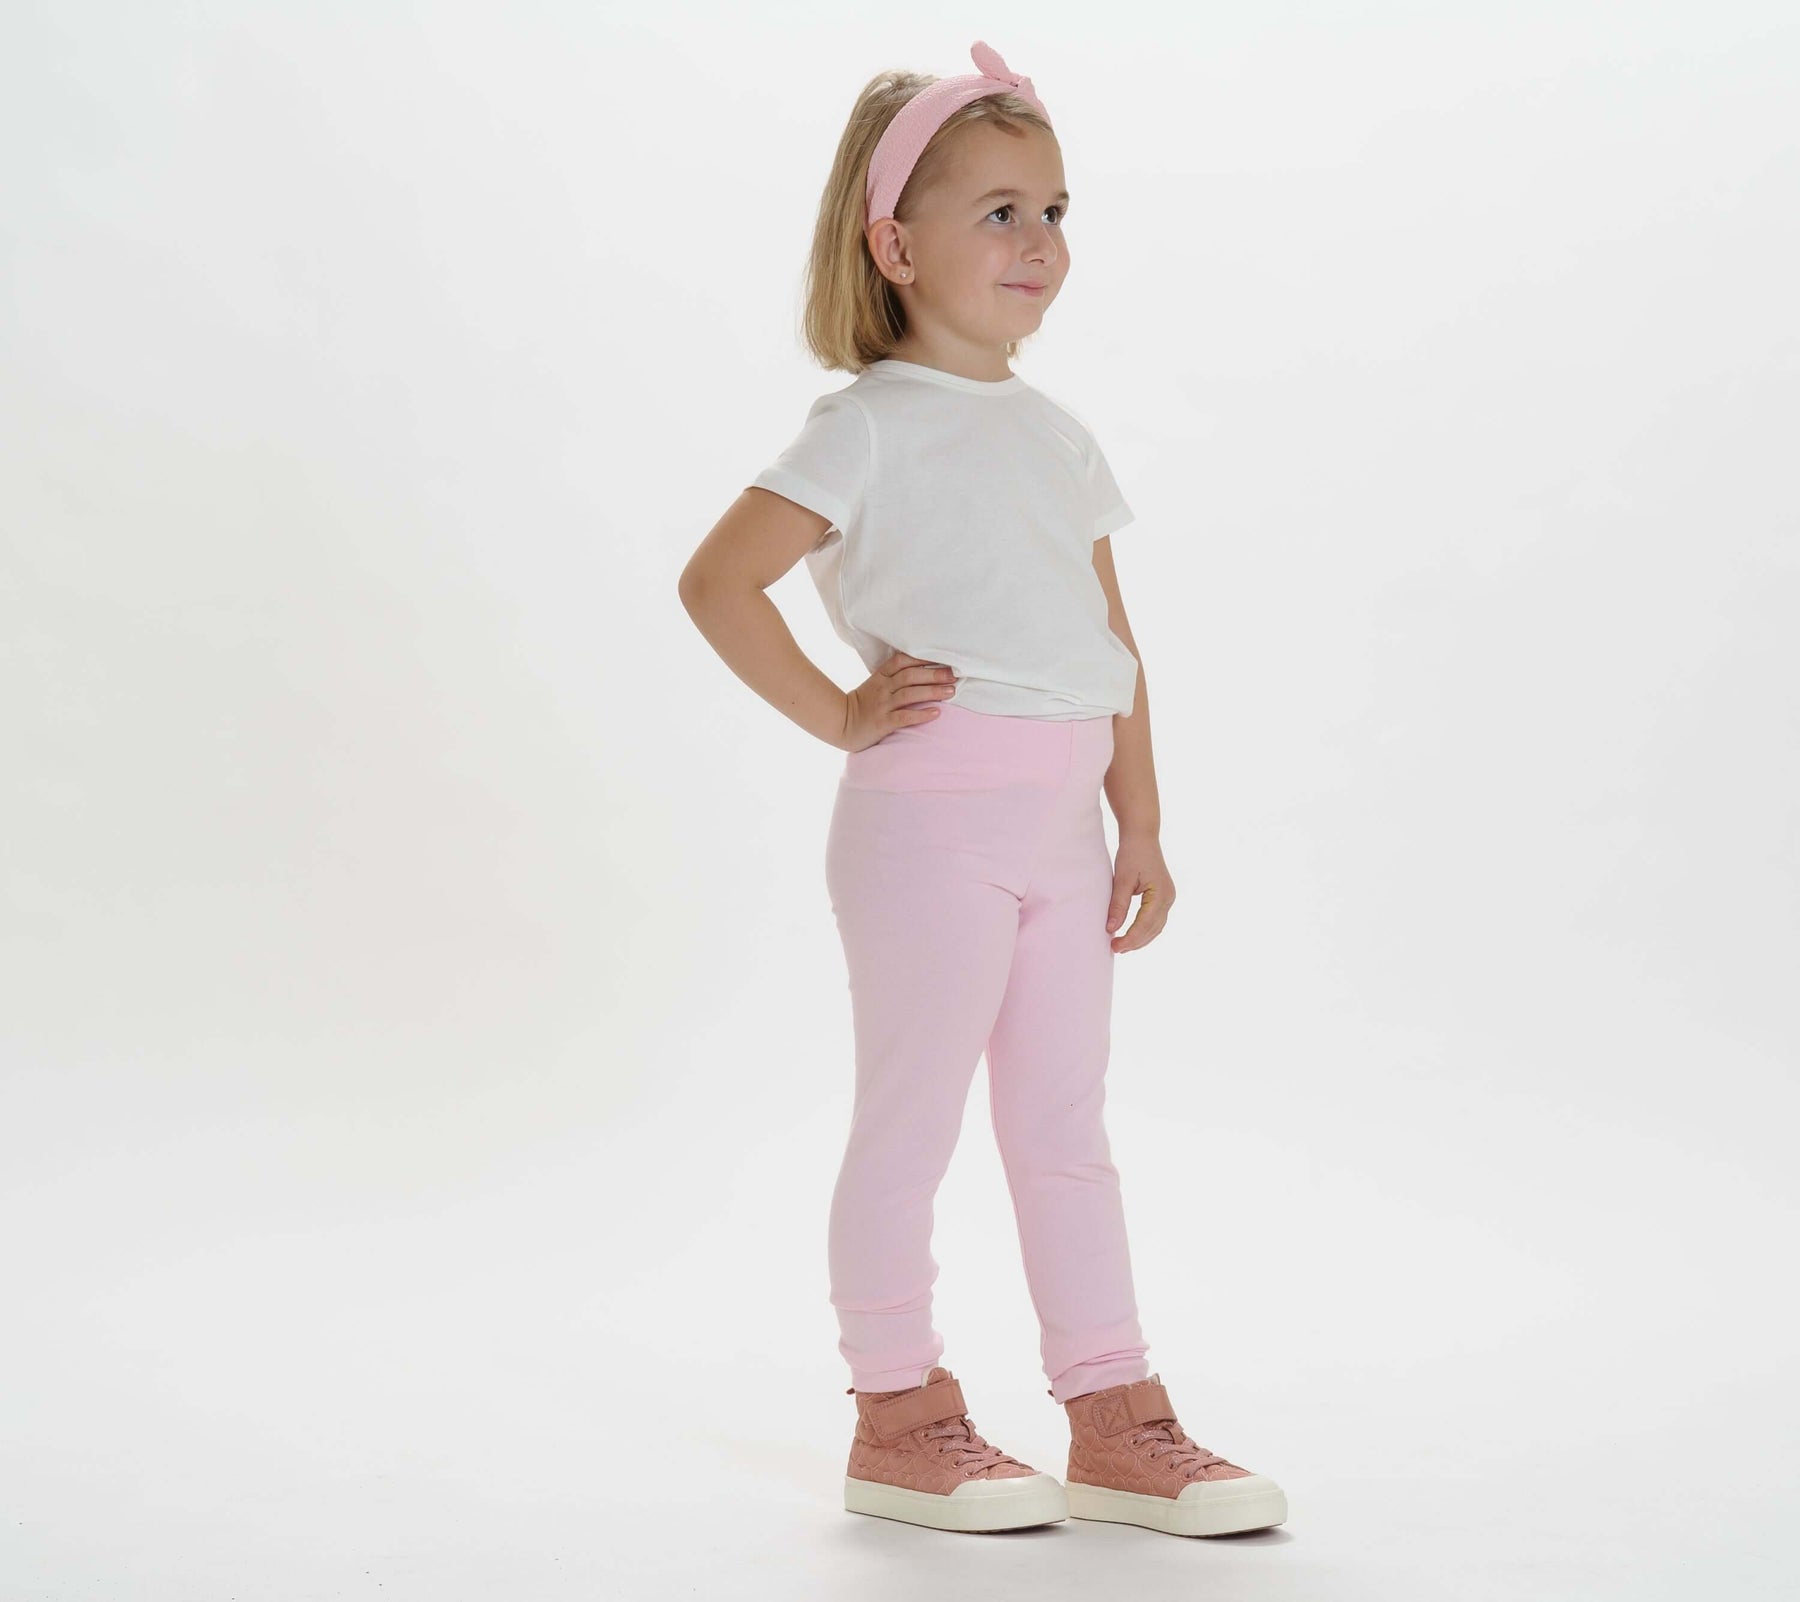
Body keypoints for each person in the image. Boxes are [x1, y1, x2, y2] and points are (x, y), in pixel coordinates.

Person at [678, 40, 1287, 1540]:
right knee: (914, 1119)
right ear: (895, 247)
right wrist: (840, 711)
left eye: (1056, 211)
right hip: (931, 821)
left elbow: (1109, 644)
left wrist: (1142, 821)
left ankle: (1114, 1412)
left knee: (1065, 1126)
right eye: (1000, 212)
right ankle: (899, 1412)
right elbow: (718, 581)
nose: (1041, 242)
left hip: (1066, 833)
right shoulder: (866, 425)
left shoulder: (1057, 436)